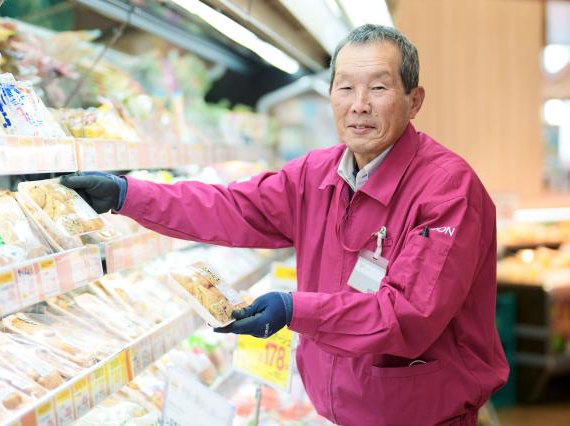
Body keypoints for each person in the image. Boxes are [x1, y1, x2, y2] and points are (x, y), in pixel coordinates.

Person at [62, 24, 508, 426]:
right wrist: (127, 195)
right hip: (335, 411)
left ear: (415, 101)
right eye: (345, 87)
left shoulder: (448, 190)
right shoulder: (316, 174)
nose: (359, 105)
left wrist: (296, 309)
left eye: (378, 87)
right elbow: (231, 207)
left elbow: (407, 315)